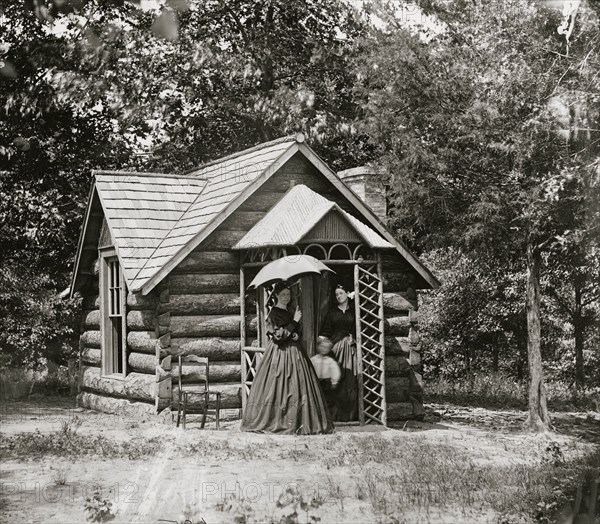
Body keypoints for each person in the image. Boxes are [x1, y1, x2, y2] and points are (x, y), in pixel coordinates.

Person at [241, 282, 333, 435]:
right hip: (279, 355)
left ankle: (298, 421)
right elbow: (278, 337)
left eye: (288, 295)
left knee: (299, 386)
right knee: (277, 386)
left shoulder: (290, 312)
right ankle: (276, 421)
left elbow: (294, 332)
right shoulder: (273, 314)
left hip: (295, 353)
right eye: (282, 294)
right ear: (276, 295)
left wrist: (296, 334)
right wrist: (295, 321)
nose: (286, 297)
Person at [320, 284, 358, 422]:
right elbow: (326, 331)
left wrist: (353, 338)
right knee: (335, 379)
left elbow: (357, 330)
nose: (339, 296)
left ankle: (349, 416)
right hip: (336, 348)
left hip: (349, 348)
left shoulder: (353, 312)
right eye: (336, 295)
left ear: (348, 293)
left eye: (341, 293)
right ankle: (333, 416)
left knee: (350, 380)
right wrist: (322, 340)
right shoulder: (332, 312)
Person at [310, 336, 341, 418]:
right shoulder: (313, 359)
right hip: (316, 382)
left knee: (328, 400)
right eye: (322, 347)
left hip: (326, 383)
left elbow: (335, 371)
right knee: (316, 399)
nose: (323, 349)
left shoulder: (330, 361)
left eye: (326, 348)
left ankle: (328, 417)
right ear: (318, 347)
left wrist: (334, 382)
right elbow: (309, 369)